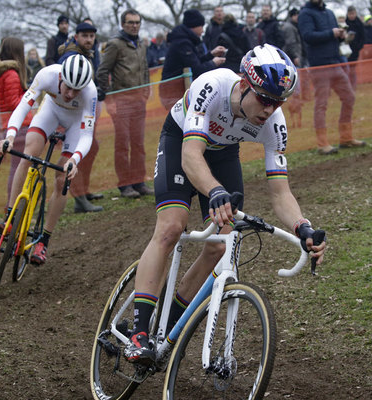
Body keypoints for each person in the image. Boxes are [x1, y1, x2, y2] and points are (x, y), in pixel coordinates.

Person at [122, 44, 327, 365]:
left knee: (220, 244)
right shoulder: (213, 85)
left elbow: (280, 192)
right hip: (182, 141)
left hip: (224, 153)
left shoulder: (274, 124)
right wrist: (214, 191)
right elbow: (190, 157)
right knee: (172, 226)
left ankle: (170, 324)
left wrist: (303, 226)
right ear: (244, 84)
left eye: (278, 102)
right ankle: (138, 331)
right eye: (264, 99)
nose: (270, 109)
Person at [0, 55, 97, 265]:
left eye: (76, 91)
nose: (70, 94)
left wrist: (75, 160)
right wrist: (10, 136)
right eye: (67, 87)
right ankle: (10, 218)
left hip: (75, 124)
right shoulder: (47, 75)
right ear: (61, 77)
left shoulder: (90, 92)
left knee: (62, 178)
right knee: (29, 153)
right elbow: (24, 106)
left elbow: (86, 135)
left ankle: (44, 241)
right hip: (50, 112)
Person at [97, 9, 154, 199]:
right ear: (123, 24)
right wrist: (108, 98)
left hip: (139, 101)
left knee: (138, 143)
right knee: (123, 144)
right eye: (130, 22)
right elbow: (103, 71)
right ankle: (125, 185)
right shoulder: (114, 44)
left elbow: (144, 68)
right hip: (121, 102)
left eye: (137, 22)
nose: (134, 25)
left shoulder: (141, 44)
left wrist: (146, 88)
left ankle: (139, 181)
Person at [298, 0, 366, 154]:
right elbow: (308, 36)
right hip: (319, 66)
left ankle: (346, 138)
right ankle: (322, 144)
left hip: (335, 63)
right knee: (321, 104)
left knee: (349, 97)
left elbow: (333, 36)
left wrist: (341, 36)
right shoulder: (305, 14)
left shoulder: (329, 13)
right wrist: (332, 33)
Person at [0, 37, 33, 223]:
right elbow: (15, 103)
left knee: (17, 168)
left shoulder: (4, 73)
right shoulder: (12, 74)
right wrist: (30, 98)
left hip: (12, 125)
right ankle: (12, 212)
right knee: (19, 169)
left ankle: (12, 211)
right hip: (18, 126)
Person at [58, 22, 104, 212]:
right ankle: (79, 198)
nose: (89, 39)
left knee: (91, 149)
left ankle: (83, 191)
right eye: (85, 36)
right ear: (76, 37)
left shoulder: (88, 55)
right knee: (80, 153)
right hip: (72, 116)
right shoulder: (72, 57)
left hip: (83, 113)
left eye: (92, 36)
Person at [160, 9, 226, 110]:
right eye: (201, 26)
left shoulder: (185, 40)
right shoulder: (182, 43)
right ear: (193, 26)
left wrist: (211, 54)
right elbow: (196, 69)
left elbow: (194, 61)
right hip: (173, 92)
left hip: (175, 90)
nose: (203, 31)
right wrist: (213, 63)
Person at [346, 6, 365, 89]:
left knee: (352, 69)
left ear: (355, 13)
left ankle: (353, 85)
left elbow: (363, 36)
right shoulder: (345, 23)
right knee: (346, 69)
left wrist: (359, 46)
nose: (351, 16)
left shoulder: (359, 23)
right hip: (346, 50)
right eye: (350, 14)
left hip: (355, 50)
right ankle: (346, 85)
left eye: (353, 14)